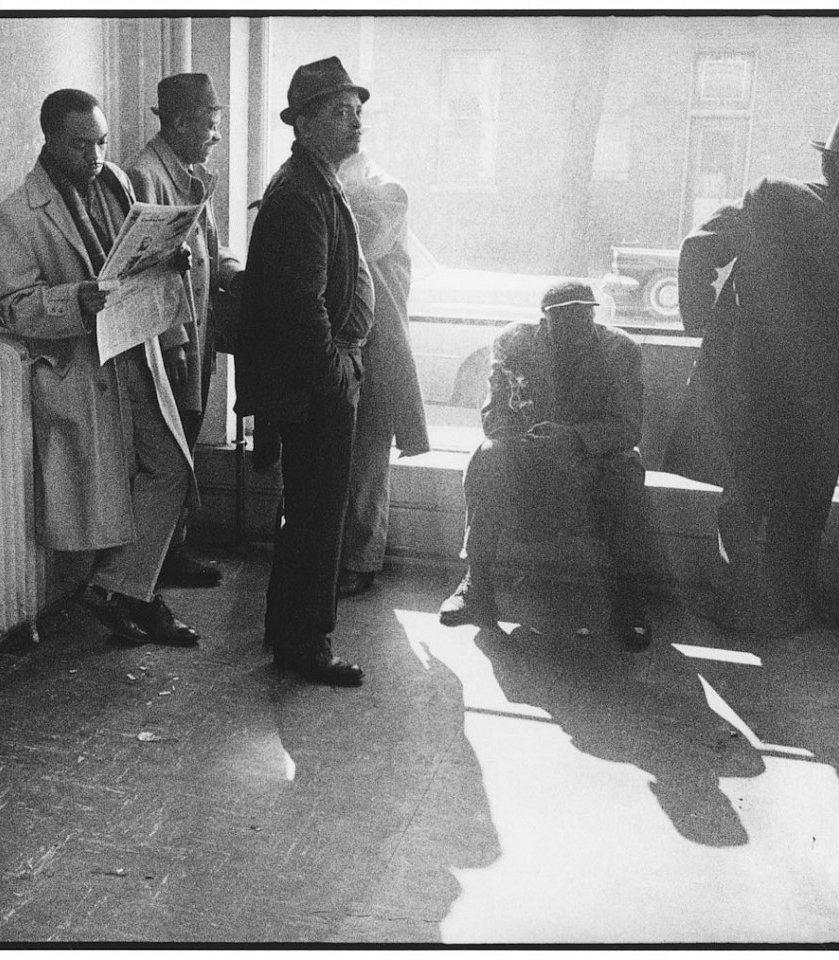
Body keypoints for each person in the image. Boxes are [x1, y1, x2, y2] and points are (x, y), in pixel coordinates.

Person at [674, 114, 839, 633]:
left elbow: (697, 249)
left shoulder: (771, 196)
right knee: (804, 501)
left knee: (742, 491)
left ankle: (741, 597)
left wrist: (702, 327)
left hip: (752, 374)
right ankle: (789, 606)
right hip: (825, 389)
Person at [0, 89, 201, 649]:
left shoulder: (118, 185)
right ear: (50, 141)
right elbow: (12, 305)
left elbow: (131, 258)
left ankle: (119, 587)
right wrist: (73, 300)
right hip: (82, 367)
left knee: (171, 469)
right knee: (125, 483)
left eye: (101, 142)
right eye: (81, 145)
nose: (95, 156)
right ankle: (136, 595)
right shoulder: (15, 215)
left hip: (134, 348)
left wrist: (168, 256)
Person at [235, 56, 375, 686]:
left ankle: (286, 628)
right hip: (316, 385)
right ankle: (307, 642)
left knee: (309, 509)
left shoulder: (316, 180)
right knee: (319, 514)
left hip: (317, 380)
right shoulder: (300, 192)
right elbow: (300, 306)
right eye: (342, 111)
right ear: (307, 122)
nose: (356, 122)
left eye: (358, 110)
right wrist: (335, 376)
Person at [439, 282, 655, 649]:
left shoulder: (619, 350)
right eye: (566, 318)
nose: (578, 326)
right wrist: (526, 442)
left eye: (585, 315)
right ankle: (476, 583)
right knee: (487, 456)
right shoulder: (515, 343)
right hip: (530, 450)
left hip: (594, 458)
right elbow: (495, 413)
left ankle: (630, 598)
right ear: (545, 321)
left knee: (627, 474)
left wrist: (574, 438)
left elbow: (627, 426)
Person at [127, 72, 245, 589]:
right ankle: (161, 559)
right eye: (210, 124)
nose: (215, 135)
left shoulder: (191, 172)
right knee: (169, 452)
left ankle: (172, 550)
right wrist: (174, 340)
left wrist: (240, 271)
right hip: (174, 339)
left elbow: (205, 252)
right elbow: (145, 272)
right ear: (178, 122)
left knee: (186, 440)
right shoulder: (145, 176)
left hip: (200, 331)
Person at [334, 152, 430, 599]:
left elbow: (362, 244)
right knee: (326, 452)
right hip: (331, 336)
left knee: (368, 454)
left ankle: (361, 559)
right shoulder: (320, 186)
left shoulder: (387, 192)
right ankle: (328, 554)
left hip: (377, 339)